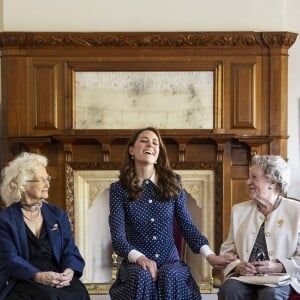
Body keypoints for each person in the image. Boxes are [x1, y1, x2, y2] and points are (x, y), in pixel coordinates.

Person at [108, 127, 236, 300]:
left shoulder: (173, 183)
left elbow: (188, 227)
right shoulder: (118, 190)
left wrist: (210, 256)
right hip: (135, 265)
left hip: (171, 262)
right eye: (144, 140)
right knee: (142, 275)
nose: (150, 145)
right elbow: (118, 239)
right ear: (132, 150)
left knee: (170, 274)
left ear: (158, 152)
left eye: (155, 143)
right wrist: (140, 258)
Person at [0, 152, 90, 300]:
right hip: (24, 277)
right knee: (49, 296)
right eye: (41, 180)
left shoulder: (57, 214)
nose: (48, 184)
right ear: (24, 184)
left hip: (56, 274)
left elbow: (70, 249)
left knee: (78, 291)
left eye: (47, 178)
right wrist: (38, 276)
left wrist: (70, 270)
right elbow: (9, 259)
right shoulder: (5, 219)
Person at [218, 155, 300, 300]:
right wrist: (238, 266)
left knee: (270, 294)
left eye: (254, 177)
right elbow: (227, 250)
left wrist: (279, 266)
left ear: (272, 182)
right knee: (229, 289)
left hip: (283, 277)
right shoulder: (238, 211)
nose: (248, 182)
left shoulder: (296, 211)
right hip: (245, 278)